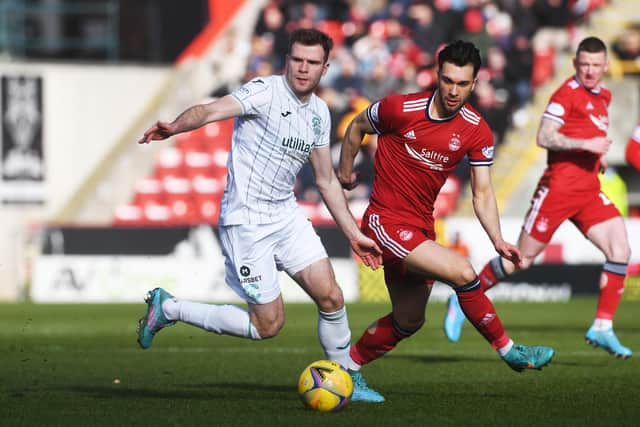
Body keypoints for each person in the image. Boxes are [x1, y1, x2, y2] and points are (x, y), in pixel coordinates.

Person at [135, 28, 385, 402]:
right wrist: (175, 127)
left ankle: (349, 376)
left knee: (331, 296)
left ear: (325, 67)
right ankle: (168, 308)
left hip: (285, 215)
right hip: (246, 221)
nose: (303, 68)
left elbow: (326, 181)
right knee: (267, 325)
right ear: (288, 59)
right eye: (297, 59)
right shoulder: (264, 92)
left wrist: (353, 233)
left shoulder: (318, 114)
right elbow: (211, 110)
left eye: (312, 62)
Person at [337, 39, 555, 393]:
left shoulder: (476, 130)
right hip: (385, 221)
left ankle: (346, 369)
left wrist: (498, 240)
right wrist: (345, 173)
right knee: (463, 272)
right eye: (448, 80)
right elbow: (357, 126)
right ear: (437, 76)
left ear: (475, 83)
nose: (453, 91)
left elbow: (482, 192)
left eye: (462, 83)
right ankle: (510, 351)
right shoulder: (400, 108)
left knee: (409, 320)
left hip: (421, 228)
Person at [444, 37, 633, 359]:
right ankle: (465, 296)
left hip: (588, 190)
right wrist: (586, 146)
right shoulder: (565, 94)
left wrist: (595, 159)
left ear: (605, 67)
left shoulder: (603, 95)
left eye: (595, 66)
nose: (589, 71)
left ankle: (602, 326)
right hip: (557, 190)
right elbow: (544, 135)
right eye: (584, 64)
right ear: (575, 64)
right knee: (522, 259)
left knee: (620, 250)